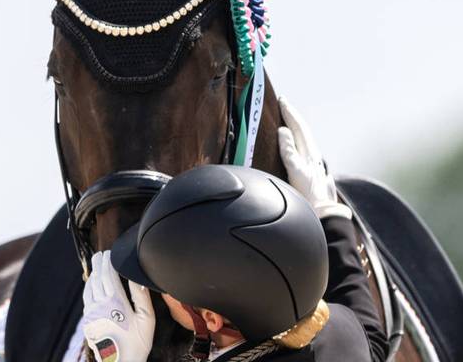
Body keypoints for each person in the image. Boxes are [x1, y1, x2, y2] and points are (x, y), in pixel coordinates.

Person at [80, 99, 388, 362]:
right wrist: (326, 213)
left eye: (164, 286)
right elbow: (368, 336)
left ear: (211, 319)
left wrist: (119, 355)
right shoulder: (341, 337)